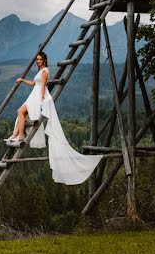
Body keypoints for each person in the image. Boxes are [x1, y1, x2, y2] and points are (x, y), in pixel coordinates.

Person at [8, 51, 103, 185]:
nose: (38, 61)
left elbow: (43, 86)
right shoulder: (39, 71)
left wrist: (41, 99)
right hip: (33, 95)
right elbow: (34, 83)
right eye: (37, 59)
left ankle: (20, 135)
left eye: (40, 59)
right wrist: (22, 80)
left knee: (20, 112)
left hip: (37, 97)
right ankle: (16, 135)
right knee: (21, 113)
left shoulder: (45, 71)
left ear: (45, 60)